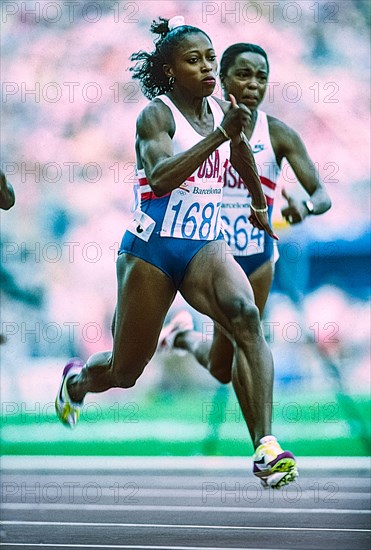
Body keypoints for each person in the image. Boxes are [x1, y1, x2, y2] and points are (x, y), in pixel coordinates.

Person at [55, 18, 297, 489]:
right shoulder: (157, 115)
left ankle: (266, 448)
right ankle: (78, 383)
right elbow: (162, 176)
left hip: (205, 245)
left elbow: (242, 154)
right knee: (125, 371)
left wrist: (258, 203)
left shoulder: (221, 111)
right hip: (151, 251)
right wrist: (220, 136)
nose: (208, 67)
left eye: (210, 57)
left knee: (246, 315)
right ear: (170, 72)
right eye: (194, 60)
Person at [160, 42, 331, 436]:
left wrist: (303, 208)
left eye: (262, 77)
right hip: (209, 257)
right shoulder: (200, 127)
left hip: (256, 259)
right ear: (222, 79)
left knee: (222, 367)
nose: (253, 85)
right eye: (243, 74)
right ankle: (264, 444)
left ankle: (183, 337)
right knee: (243, 345)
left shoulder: (279, 133)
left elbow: (322, 195)